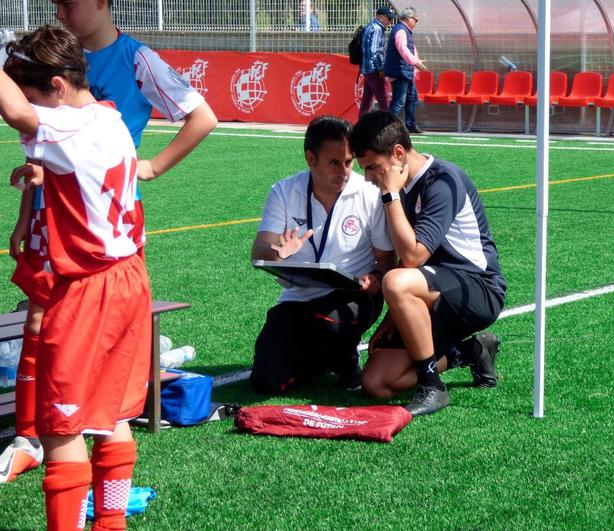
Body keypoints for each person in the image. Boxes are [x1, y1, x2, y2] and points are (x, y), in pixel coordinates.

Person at [0, 0, 218, 484]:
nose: (61, 10)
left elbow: (202, 116)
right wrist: (26, 209)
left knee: (65, 338)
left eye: (70, 2)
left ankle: (56, 435)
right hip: (56, 213)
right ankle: (27, 439)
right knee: (36, 318)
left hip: (98, 237)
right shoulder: (57, 57)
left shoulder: (134, 60)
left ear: (102, 2)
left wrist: (154, 166)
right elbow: (52, 154)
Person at [1, 25, 151, 530]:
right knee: (114, 417)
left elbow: (16, 113)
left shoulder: (69, 126)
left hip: (91, 286)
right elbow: (83, 165)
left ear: (58, 88)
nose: (32, 111)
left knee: (61, 426)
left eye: (37, 97)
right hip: (131, 277)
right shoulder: (107, 116)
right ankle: (111, 525)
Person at [350, 111, 506, 416]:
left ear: (398, 154)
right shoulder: (397, 187)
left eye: (372, 167)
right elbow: (404, 261)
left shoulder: (444, 180)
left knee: (396, 280)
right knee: (376, 383)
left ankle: (432, 385)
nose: (368, 177)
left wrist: (390, 193)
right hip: (429, 290)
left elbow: (411, 258)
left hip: (477, 288)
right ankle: (472, 351)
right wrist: (392, 319)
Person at [250, 115, 395, 394]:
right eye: (334, 162)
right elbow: (258, 253)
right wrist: (278, 251)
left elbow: (386, 259)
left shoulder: (368, 193)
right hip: (298, 298)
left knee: (331, 320)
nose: (344, 171)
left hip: (354, 296)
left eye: (349, 162)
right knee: (266, 382)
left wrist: (375, 277)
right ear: (310, 158)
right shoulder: (283, 191)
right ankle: (324, 360)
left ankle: (347, 361)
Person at [383, 6, 426, 134]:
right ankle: (388, 128)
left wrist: (415, 62)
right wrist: (414, 62)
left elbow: (409, 49)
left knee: (412, 98)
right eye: (415, 20)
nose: (416, 23)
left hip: (406, 71)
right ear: (408, 18)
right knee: (399, 101)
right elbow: (402, 49)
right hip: (400, 71)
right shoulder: (401, 31)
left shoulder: (404, 30)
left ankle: (410, 125)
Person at [359, 6, 394, 117]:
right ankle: (388, 125)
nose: (390, 21)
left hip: (368, 69)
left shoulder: (369, 27)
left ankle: (361, 125)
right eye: (388, 18)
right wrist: (381, 68)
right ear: (381, 17)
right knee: (383, 99)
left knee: (367, 100)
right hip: (374, 69)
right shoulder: (377, 29)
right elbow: (375, 51)